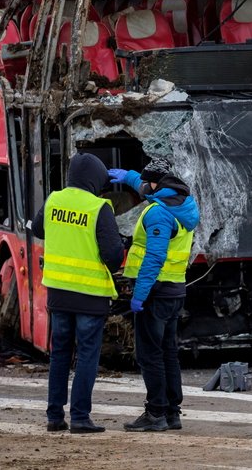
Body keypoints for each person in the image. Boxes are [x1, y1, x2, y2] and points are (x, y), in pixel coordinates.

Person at [31, 152, 124, 434]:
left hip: (58, 294)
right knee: (86, 356)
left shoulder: (53, 200)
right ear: (95, 180)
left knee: (59, 353)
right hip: (89, 296)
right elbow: (113, 254)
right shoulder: (98, 207)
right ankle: (81, 418)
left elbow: (38, 229)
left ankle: (54, 416)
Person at [107, 158, 200, 432]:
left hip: (155, 292)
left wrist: (140, 294)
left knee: (150, 355)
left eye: (145, 183)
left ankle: (155, 412)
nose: (141, 188)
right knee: (168, 352)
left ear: (156, 185)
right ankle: (172, 412)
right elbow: (148, 183)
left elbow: (155, 256)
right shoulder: (181, 203)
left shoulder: (159, 213)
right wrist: (129, 176)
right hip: (174, 290)